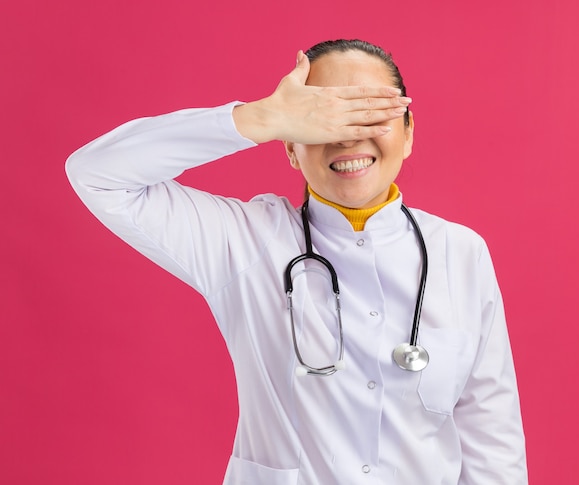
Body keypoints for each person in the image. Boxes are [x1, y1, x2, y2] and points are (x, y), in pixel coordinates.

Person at [66, 39, 527, 484]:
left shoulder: (461, 252)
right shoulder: (246, 241)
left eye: (370, 112)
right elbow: (98, 175)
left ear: (408, 133)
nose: (348, 135)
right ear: (289, 146)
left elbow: (490, 433)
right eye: (322, 117)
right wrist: (260, 117)